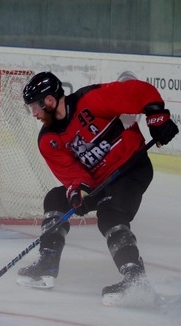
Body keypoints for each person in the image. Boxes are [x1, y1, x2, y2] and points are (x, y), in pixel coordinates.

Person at [18, 71, 179, 305]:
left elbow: (139, 91)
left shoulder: (91, 100)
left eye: (35, 106)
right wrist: (77, 191)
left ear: (50, 101)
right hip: (96, 184)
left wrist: (158, 118)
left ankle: (135, 277)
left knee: (110, 214)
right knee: (55, 199)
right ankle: (47, 263)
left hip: (130, 169)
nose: (33, 113)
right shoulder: (48, 140)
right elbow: (71, 174)